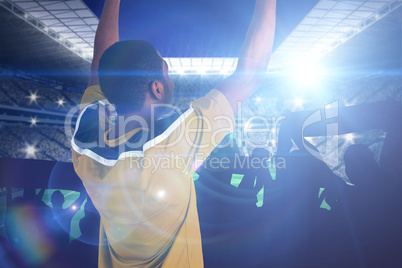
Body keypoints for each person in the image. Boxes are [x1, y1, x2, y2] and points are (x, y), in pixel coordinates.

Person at [71, 0, 276, 267]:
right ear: (157, 89)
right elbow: (251, 73)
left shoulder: (86, 146)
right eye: (167, 72)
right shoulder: (175, 141)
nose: (172, 80)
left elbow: (102, 68)